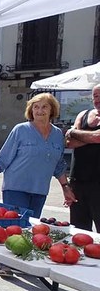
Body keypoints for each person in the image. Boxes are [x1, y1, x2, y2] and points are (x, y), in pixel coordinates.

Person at [0, 93, 76, 276]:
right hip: (16, 187)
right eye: (36, 107)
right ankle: (4, 263)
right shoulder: (21, 129)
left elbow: (58, 165)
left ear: (52, 110)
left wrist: (65, 188)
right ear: (30, 110)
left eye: (44, 107)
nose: (39, 111)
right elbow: (4, 157)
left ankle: (21, 261)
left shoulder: (58, 135)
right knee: (13, 226)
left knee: (29, 229)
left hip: (39, 189)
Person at [65, 84, 100, 232]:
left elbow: (97, 137)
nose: (98, 100)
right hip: (77, 182)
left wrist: (73, 131)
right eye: (96, 96)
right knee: (79, 231)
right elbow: (69, 142)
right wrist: (89, 136)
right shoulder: (83, 114)